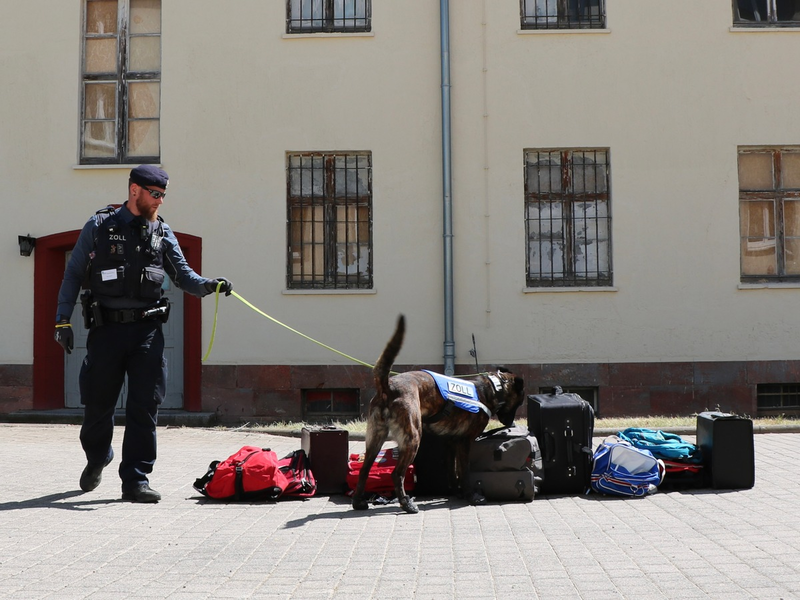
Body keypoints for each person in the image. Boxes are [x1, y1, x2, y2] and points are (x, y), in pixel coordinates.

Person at [54, 165, 232, 503]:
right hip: (106, 331)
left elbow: (184, 275)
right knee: (97, 405)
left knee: (144, 405)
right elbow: (74, 274)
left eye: (163, 195)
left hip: (147, 332)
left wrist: (209, 285)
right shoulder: (100, 226)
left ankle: (136, 479)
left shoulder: (162, 232)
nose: (160, 201)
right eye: (155, 194)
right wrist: (62, 321)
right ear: (134, 190)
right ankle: (97, 456)